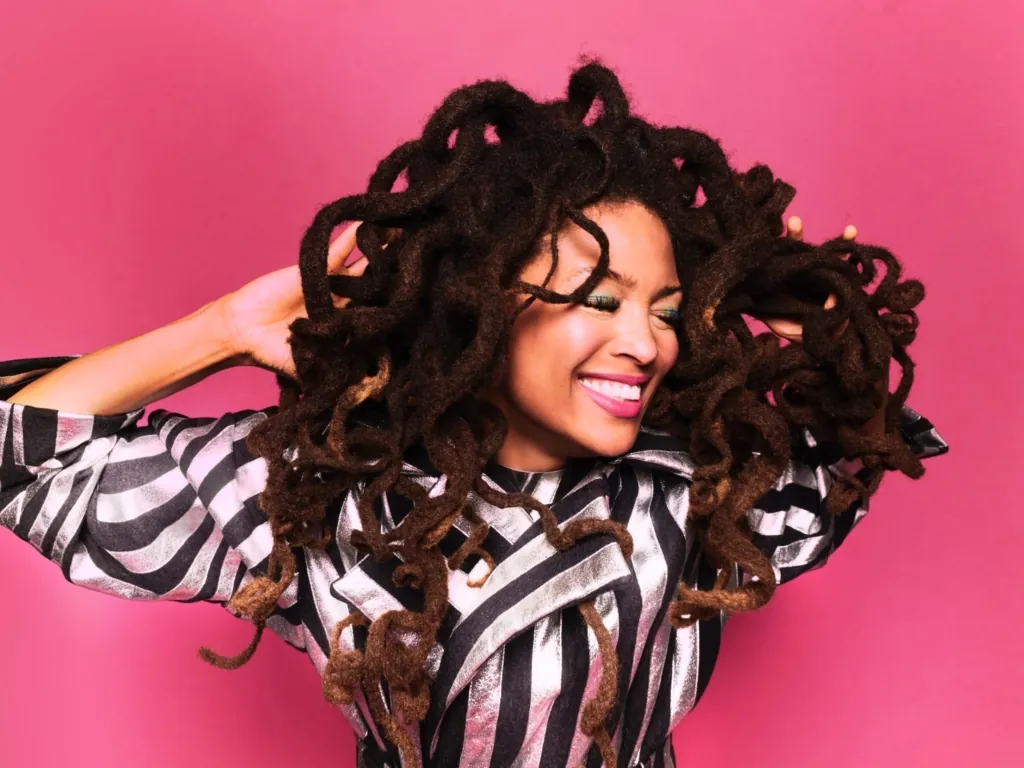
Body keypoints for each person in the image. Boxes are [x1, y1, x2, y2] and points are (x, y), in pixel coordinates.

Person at [0, 62, 947, 768]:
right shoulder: (330, 485)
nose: (644, 343)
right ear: (483, 300)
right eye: (596, 296)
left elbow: (855, 453)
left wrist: (827, 334)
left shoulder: (697, 487)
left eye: (664, 310)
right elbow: (26, 459)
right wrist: (218, 329)